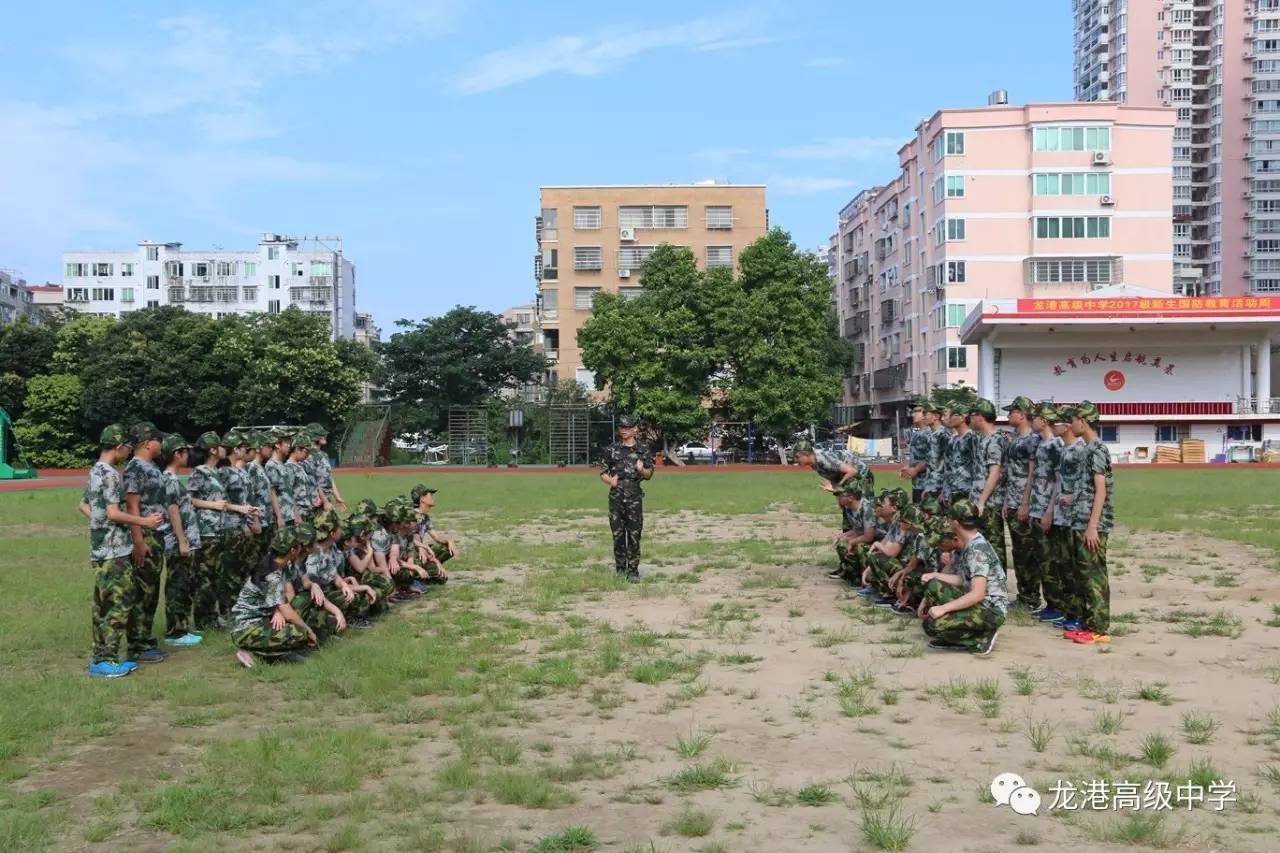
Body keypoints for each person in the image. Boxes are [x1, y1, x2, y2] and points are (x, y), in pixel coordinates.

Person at [85, 424, 164, 678]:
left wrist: (99, 524)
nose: (128, 453)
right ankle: (106, 661)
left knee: (102, 606)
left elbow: (86, 506)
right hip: (115, 550)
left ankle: (100, 658)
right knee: (119, 604)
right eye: (127, 448)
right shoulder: (110, 474)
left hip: (101, 548)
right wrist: (145, 522)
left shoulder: (95, 471)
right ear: (118, 447)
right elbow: (113, 512)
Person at [188, 431, 257, 630]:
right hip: (206, 530)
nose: (223, 449)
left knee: (217, 575)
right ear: (212, 450)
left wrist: (240, 509)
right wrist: (212, 505)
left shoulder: (216, 472)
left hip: (219, 529)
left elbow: (223, 502)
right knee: (205, 577)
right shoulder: (200, 471)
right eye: (219, 446)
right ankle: (203, 620)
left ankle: (213, 616)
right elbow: (188, 499)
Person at [920, 499, 1008, 656]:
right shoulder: (970, 543)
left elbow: (978, 593)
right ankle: (959, 635)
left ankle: (980, 636)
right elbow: (962, 579)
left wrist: (944, 608)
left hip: (991, 610)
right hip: (981, 603)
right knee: (933, 584)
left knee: (932, 625)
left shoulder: (976, 550)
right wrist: (936, 575)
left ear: (954, 523)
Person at [123, 421, 174, 664]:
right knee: (143, 592)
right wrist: (138, 541)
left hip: (158, 534)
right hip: (146, 536)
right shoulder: (135, 469)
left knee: (151, 592)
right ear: (147, 443)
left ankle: (145, 639)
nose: (161, 444)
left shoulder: (151, 466)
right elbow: (132, 507)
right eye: (158, 439)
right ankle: (137, 644)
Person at [230, 527, 317, 668]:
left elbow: (288, 596)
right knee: (300, 633)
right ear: (293, 550)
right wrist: (309, 631)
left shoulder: (279, 563)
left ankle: (282, 651)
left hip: (265, 616)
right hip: (247, 627)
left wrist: (277, 610)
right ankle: (255, 653)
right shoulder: (271, 575)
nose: (302, 549)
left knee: (302, 602)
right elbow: (288, 612)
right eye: (299, 546)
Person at [1064, 401, 1114, 646]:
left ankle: (1099, 628)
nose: (1070, 424)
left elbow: (1100, 489)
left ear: (1082, 421)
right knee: (1082, 573)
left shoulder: (1097, 450)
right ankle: (1087, 622)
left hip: (1091, 524)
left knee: (1093, 574)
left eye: (1072, 420)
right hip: (1080, 520)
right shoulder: (1086, 449)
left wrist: (1093, 525)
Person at [599, 415, 654, 582]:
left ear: (635, 429)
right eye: (622, 427)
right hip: (616, 497)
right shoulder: (611, 450)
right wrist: (611, 481)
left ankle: (633, 571)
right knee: (618, 535)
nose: (624, 430)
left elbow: (649, 474)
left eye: (628, 427)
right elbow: (602, 472)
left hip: (634, 497)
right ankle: (621, 569)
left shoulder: (643, 449)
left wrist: (641, 469)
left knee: (634, 535)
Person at [160, 434, 203, 646]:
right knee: (177, 585)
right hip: (177, 542)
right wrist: (182, 540)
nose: (188, 455)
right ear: (177, 454)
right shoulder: (168, 480)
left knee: (184, 583)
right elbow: (173, 511)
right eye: (185, 452)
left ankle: (182, 627)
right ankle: (175, 632)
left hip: (183, 540)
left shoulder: (174, 479)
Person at [1002, 396, 1043, 611]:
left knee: (1027, 552)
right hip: (1012, 502)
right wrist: (1007, 501)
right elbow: (1010, 474)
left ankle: (1031, 598)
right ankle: (1024, 595)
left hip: (1023, 504)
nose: (1009, 415)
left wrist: (1025, 503)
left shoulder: (1032, 440)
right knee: (1018, 552)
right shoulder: (1015, 439)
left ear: (1022, 413)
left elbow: (1032, 473)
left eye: (1012, 412)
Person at [1050, 405, 1088, 636]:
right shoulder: (1065, 450)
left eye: (1058, 423)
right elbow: (1059, 484)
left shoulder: (1082, 451)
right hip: (1062, 516)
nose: (1054, 426)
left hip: (1076, 518)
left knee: (1076, 568)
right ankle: (1070, 611)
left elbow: (1087, 486)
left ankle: (1079, 614)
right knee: (1063, 566)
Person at [1028, 402, 1065, 622]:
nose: (1032, 420)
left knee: (1051, 560)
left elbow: (1059, 481)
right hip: (1036, 506)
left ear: (1044, 421)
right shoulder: (1041, 445)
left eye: (1035, 418)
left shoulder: (1055, 445)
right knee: (1041, 559)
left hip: (1047, 509)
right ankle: (1050, 602)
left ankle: (1057, 605)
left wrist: (1049, 511)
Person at [968, 399, 1009, 570]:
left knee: (994, 547)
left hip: (989, 504)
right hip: (980, 501)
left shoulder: (994, 440)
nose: (970, 419)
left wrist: (982, 501)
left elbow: (995, 472)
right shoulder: (983, 439)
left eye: (972, 415)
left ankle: (997, 590)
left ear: (980, 417)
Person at [794, 440, 875, 497]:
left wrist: (837, 486)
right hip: (851, 480)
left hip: (862, 475)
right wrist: (835, 487)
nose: (796, 460)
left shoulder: (822, 460)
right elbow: (835, 474)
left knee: (862, 507)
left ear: (806, 454)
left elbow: (852, 471)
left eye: (798, 457)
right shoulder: (814, 464)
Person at [411, 483, 456, 583]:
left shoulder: (425, 517)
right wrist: (421, 547)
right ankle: (418, 574)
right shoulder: (413, 515)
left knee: (446, 547)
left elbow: (437, 537)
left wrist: (450, 540)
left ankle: (429, 568)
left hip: (420, 551)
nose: (433, 497)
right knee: (440, 578)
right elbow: (414, 535)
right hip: (411, 553)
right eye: (430, 495)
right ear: (422, 499)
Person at [831, 484, 877, 582]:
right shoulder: (849, 508)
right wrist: (842, 536)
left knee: (857, 546)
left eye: (840, 496)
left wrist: (851, 542)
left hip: (880, 539)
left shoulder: (866, 508)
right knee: (841, 542)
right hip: (869, 536)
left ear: (851, 498)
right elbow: (858, 530)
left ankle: (863, 578)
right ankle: (851, 573)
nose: (837, 498)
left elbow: (869, 536)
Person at [306, 423, 347, 511]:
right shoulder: (308, 456)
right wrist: (324, 501)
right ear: (313, 436)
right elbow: (313, 481)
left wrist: (337, 497)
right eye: (321, 435)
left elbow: (329, 478)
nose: (325, 436)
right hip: (315, 500)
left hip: (326, 499)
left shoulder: (324, 455)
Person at [942, 402, 975, 506]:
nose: (950, 418)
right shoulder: (953, 439)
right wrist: (946, 491)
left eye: (954, 415)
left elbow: (978, 467)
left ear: (963, 418)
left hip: (968, 490)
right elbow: (949, 468)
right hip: (954, 490)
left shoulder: (972, 438)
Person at [900, 401, 931, 503]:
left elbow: (933, 458)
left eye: (917, 411)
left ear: (925, 414)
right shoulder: (916, 433)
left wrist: (916, 469)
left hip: (929, 483)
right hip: (917, 483)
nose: (913, 414)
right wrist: (909, 467)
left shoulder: (930, 433)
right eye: (912, 412)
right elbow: (917, 456)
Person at [921, 401, 949, 505]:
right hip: (931, 485)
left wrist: (945, 490)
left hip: (941, 486)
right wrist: (928, 486)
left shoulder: (943, 435)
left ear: (936, 416)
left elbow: (948, 463)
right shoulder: (931, 435)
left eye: (926, 414)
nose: (923, 417)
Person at [265, 429, 295, 527]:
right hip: (282, 516)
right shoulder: (271, 466)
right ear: (277, 445)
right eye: (286, 442)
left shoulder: (281, 464)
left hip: (290, 513)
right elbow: (272, 493)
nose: (289, 445)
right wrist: (279, 517)